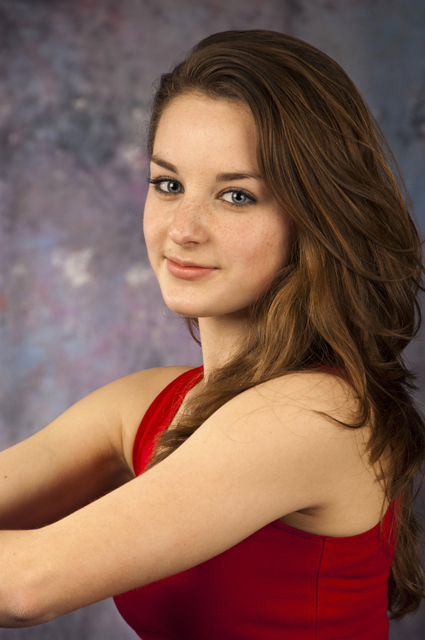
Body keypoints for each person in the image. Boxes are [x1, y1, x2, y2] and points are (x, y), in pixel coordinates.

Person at [1, 29, 424, 639]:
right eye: (168, 184)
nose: (183, 229)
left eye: (236, 195)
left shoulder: (315, 414)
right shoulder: (147, 403)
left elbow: (23, 586)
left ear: (316, 215)